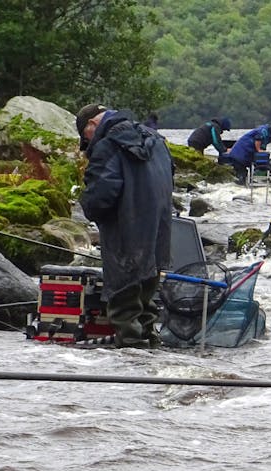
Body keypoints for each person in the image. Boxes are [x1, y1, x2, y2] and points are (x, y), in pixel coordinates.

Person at [76, 103, 173, 348]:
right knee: (147, 288)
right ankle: (150, 342)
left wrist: (86, 204)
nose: (88, 144)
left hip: (126, 228)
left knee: (123, 295)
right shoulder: (154, 138)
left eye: (85, 137)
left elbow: (103, 194)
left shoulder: (107, 146)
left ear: (92, 125)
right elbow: (170, 175)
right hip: (158, 227)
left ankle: (130, 352)